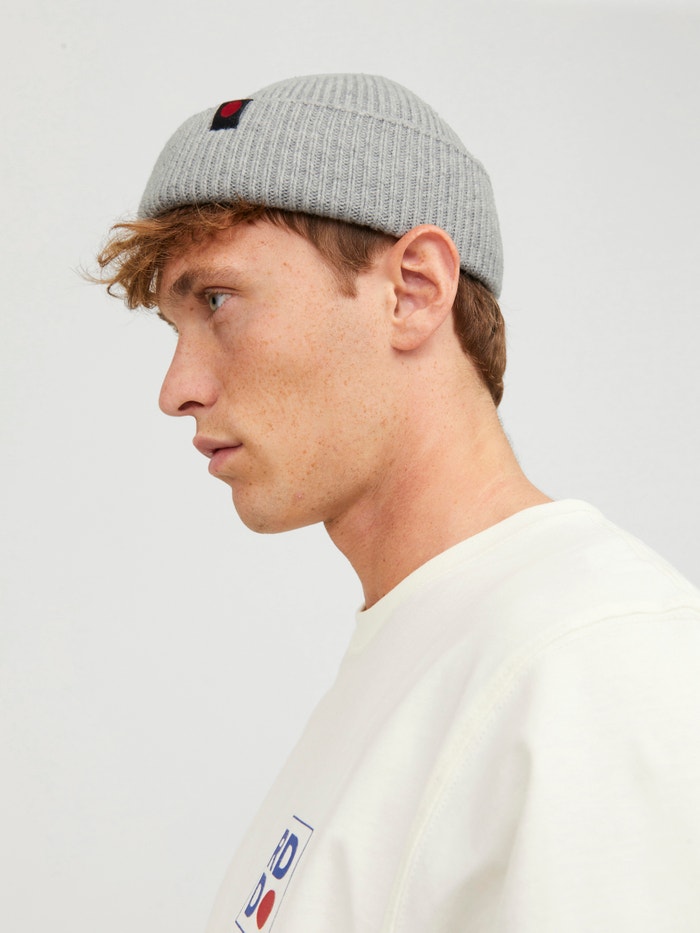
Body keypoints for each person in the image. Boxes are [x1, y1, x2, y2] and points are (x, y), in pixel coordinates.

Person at [96, 74, 700, 933]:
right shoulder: (432, 648)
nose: (177, 388)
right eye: (175, 327)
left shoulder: (590, 663)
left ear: (413, 289)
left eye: (217, 301)